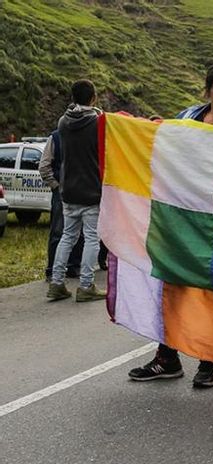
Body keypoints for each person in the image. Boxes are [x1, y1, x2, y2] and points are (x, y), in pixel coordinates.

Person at [127, 62, 213, 388]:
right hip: (183, 218)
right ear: (208, 90)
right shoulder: (187, 117)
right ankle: (166, 358)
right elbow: (165, 149)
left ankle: (211, 361)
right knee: (174, 286)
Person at [45, 80, 106, 303]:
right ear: (93, 98)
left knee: (67, 236)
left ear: (72, 98)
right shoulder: (97, 122)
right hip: (91, 189)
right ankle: (86, 285)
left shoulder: (63, 122)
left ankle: (56, 283)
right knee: (91, 238)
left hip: (68, 189)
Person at [39, 128, 83, 281]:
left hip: (69, 189)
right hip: (69, 190)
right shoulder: (57, 136)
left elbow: (44, 165)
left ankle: (70, 267)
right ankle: (54, 269)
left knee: (74, 231)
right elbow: (44, 166)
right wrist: (55, 185)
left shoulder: (58, 136)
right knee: (60, 230)